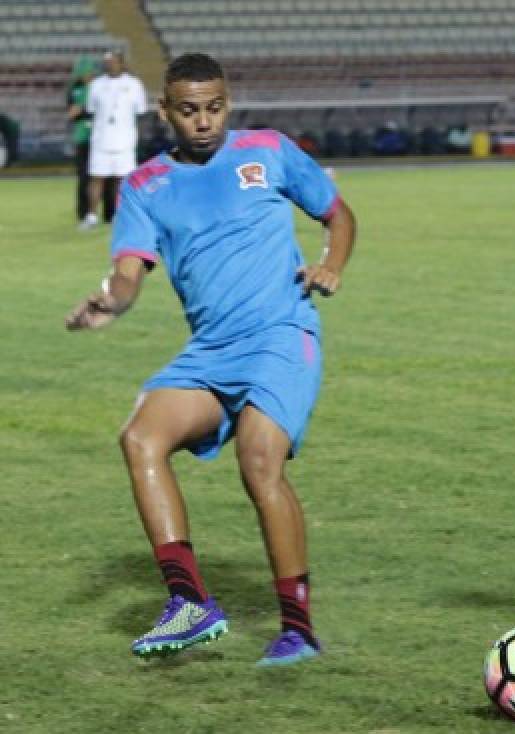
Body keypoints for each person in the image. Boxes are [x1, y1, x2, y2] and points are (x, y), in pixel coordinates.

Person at [65, 53, 357, 667]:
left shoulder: (269, 150)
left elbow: (337, 213)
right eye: (190, 110)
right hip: (211, 352)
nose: (204, 121)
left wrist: (331, 263)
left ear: (229, 102)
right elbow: (127, 272)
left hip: (281, 334)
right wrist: (111, 303)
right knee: (140, 436)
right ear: (165, 110)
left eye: (215, 107)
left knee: (258, 462)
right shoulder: (144, 186)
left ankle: (297, 629)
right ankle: (189, 603)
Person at [80, 50, 147, 231]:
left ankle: (121, 216)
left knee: (123, 180)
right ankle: (92, 216)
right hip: (101, 139)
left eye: (113, 61)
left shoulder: (134, 84)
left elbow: (140, 112)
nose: (109, 65)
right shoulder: (96, 85)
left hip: (125, 140)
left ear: (121, 63)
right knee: (96, 178)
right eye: (106, 62)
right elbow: (91, 109)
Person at [66, 56, 112, 223]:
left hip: (102, 137)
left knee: (106, 176)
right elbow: (71, 113)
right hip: (83, 138)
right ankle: (84, 213)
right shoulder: (75, 89)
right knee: (84, 177)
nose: (88, 76)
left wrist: (82, 110)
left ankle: (109, 213)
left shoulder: (103, 88)